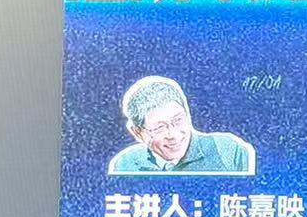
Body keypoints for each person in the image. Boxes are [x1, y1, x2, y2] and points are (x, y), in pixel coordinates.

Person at [106, 75, 255, 175]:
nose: (173, 135)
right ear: (137, 132)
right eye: (159, 128)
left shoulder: (227, 150)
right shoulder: (125, 164)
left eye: (178, 120)